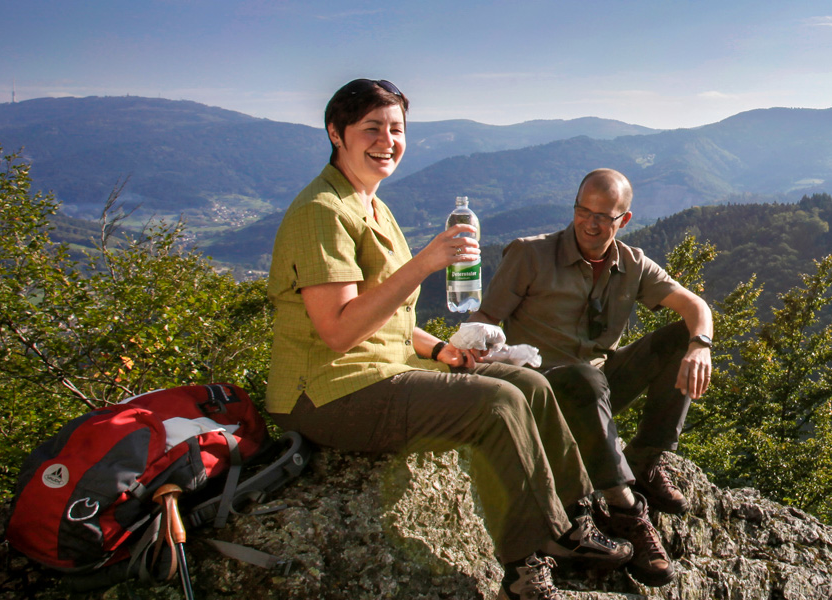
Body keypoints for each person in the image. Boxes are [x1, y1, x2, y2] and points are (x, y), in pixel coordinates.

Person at [263, 79, 628, 600]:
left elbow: (383, 316)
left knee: (528, 383)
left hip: (383, 371)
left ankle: (576, 520)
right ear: (335, 133)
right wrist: (425, 263)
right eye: (371, 128)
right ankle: (528, 566)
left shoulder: (370, 204)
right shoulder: (322, 211)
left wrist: (438, 349)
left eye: (396, 129)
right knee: (498, 402)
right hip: (326, 393)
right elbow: (339, 329)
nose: (387, 140)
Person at [471, 168, 713, 586]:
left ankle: (645, 461)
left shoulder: (632, 264)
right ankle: (626, 509)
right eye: (583, 210)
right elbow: (486, 316)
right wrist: (478, 344)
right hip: (544, 392)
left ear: (625, 220)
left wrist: (700, 346)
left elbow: (695, 306)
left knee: (679, 338)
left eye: (604, 216)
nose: (590, 222)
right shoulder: (529, 255)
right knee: (584, 379)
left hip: (597, 390)